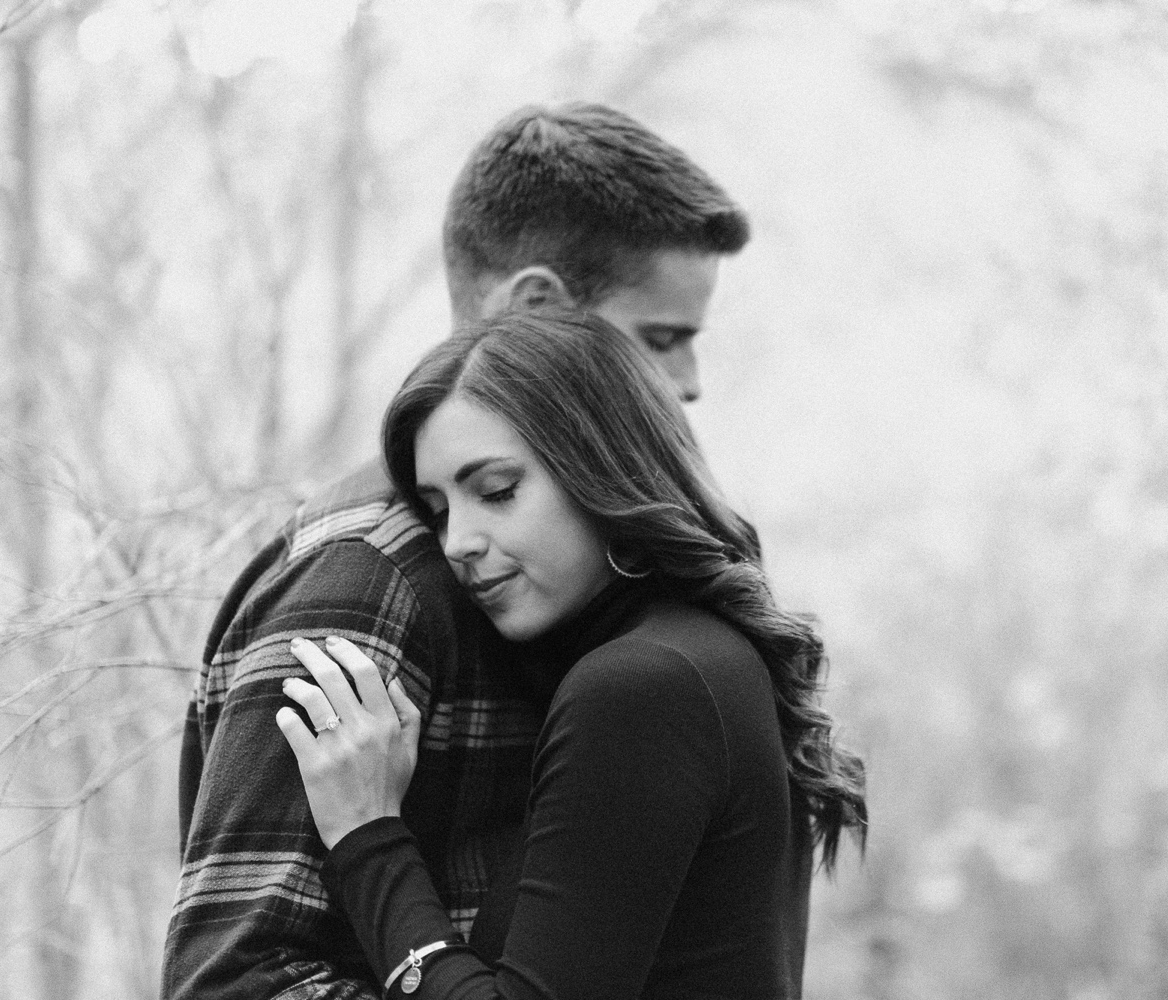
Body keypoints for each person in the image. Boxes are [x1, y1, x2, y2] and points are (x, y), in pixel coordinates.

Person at [162, 103, 750, 1000]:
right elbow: (231, 981)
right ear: (540, 309)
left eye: (495, 491)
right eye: (661, 339)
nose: (687, 383)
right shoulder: (370, 578)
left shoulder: (623, 610)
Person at [278, 309, 867, 998]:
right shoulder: (702, 659)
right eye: (437, 510)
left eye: (497, 492)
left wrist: (369, 836)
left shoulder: (644, 689)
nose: (458, 541)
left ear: (600, 468)